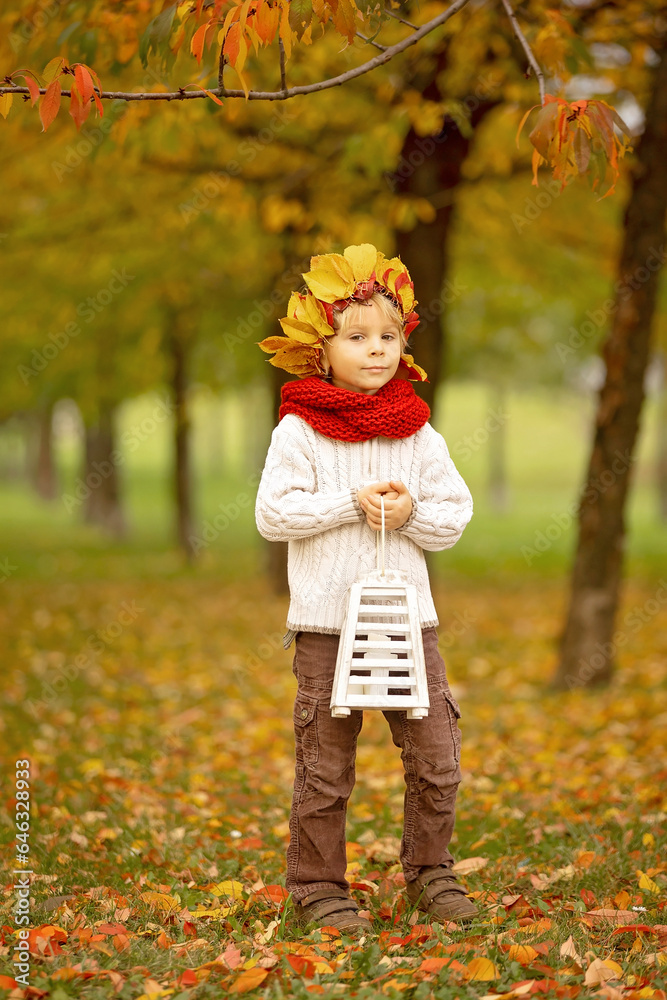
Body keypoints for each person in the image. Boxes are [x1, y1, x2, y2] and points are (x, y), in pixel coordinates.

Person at [255, 243, 477, 934]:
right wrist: (351, 503)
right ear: (320, 350)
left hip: (408, 624)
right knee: (325, 766)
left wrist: (411, 513)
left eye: (387, 336)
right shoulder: (298, 431)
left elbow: (452, 517)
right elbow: (273, 514)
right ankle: (318, 885)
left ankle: (431, 873)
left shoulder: (418, 432)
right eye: (356, 338)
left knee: (436, 757)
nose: (375, 350)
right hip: (328, 626)